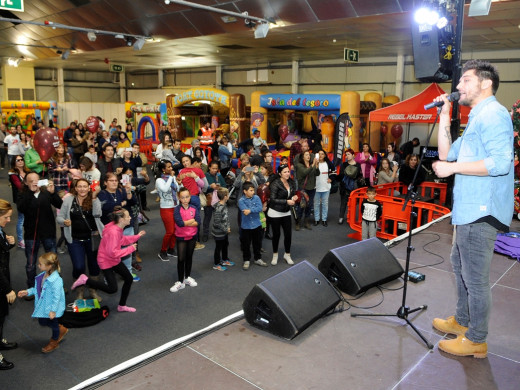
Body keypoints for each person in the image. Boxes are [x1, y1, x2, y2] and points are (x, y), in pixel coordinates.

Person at [431, 60, 514, 358]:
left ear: (485, 83)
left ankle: (477, 339)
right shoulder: (477, 117)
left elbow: (500, 163)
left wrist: (452, 169)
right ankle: (463, 322)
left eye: (465, 80)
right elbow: (445, 152)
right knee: (460, 266)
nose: (458, 87)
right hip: (468, 209)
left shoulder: (493, 114)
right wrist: (444, 114)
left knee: (475, 278)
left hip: (482, 210)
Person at [70, 206, 145, 313]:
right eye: (128, 217)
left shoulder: (117, 228)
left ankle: (122, 306)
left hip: (113, 259)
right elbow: (113, 253)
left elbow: (122, 240)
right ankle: (85, 280)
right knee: (112, 289)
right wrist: (130, 249)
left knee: (128, 278)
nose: (130, 218)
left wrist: (136, 236)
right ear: (121, 220)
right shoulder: (114, 232)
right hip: (106, 261)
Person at [56, 179, 104, 301]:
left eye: (85, 186)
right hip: (74, 239)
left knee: (94, 266)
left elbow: (98, 214)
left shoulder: (94, 199)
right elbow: (59, 217)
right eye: (80, 187)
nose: (82, 189)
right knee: (78, 266)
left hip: (92, 238)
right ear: (76, 188)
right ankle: (80, 291)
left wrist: (93, 198)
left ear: (89, 188)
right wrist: (64, 222)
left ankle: (93, 291)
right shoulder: (68, 200)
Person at [17, 172, 62, 289]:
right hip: (31, 235)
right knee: (31, 264)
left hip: (49, 233)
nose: (34, 183)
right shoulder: (23, 195)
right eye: (31, 181)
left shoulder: (46, 193)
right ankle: (32, 286)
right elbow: (21, 208)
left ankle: (55, 284)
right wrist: (31, 192)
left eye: (36, 180)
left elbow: (59, 204)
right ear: (26, 183)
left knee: (52, 261)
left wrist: (53, 193)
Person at [17, 253, 68, 353]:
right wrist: (27, 292)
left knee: (53, 325)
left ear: (49, 266)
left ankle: (54, 342)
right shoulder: (41, 276)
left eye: (40, 264)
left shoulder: (56, 280)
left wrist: (53, 311)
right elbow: (37, 289)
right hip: (43, 305)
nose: (38, 265)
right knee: (42, 321)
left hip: (52, 308)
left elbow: (57, 297)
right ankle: (61, 329)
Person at [97, 172, 139, 281]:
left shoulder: (121, 191)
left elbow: (133, 202)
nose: (115, 182)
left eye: (116, 180)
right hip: (111, 230)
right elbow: (107, 208)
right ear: (105, 183)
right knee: (110, 253)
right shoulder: (102, 194)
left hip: (126, 226)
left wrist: (129, 192)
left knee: (127, 252)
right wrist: (123, 204)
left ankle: (128, 272)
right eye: (111, 180)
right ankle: (108, 278)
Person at [170, 187, 201, 293]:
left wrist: (188, 222)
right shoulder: (177, 209)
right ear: (179, 198)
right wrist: (191, 221)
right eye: (182, 197)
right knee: (181, 259)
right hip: (181, 237)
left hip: (192, 237)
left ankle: (187, 277)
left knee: (189, 258)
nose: (185, 199)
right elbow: (180, 223)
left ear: (190, 197)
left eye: (187, 197)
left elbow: (198, 221)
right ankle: (180, 281)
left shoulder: (194, 208)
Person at [268, 164, 297, 266]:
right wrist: (286, 201)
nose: (287, 173)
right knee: (276, 235)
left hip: (286, 211)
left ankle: (287, 255)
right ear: (280, 173)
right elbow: (273, 199)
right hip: (275, 212)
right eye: (285, 172)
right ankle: (275, 255)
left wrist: (294, 197)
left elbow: (291, 194)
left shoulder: (291, 182)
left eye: (288, 171)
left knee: (288, 235)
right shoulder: (275, 184)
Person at [0, 199, 16, 369]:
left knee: (2, 315)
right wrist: (8, 289)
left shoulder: (0, 230)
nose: (9, 220)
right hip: (1, 283)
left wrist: (8, 244)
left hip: (3, 279)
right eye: (6, 217)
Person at [239, 181, 266, 270]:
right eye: (251, 190)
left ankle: (257, 258)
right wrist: (252, 210)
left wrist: (250, 210)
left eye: (253, 190)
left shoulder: (257, 198)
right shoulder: (241, 201)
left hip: (257, 225)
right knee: (246, 244)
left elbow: (259, 208)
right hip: (246, 226)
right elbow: (244, 211)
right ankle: (246, 260)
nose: (253, 192)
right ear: (245, 191)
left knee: (257, 243)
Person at [156, 161, 179, 261]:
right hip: (166, 208)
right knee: (169, 231)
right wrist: (171, 178)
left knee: (175, 231)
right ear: (163, 169)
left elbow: (177, 189)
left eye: (171, 167)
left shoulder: (172, 177)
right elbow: (165, 189)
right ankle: (163, 251)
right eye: (168, 167)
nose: (171, 169)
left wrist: (176, 181)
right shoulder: (159, 180)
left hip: (175, 206)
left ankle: (171, 249)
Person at [8, 155, 30, 248]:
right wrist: (31, 184)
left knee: (30, 218)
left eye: (22, 159)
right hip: (20, 199)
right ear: (14, 162)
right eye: (18, 160)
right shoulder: (13, 174)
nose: (21, 161)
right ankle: (21, 240)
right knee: (21, 219)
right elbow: (19, 186)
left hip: (30, 198)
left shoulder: (28, 171)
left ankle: (30, 237)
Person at [294, 150, 319, 230]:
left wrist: (317, 166)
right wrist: (313, 165)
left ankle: (306, 222)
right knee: (301, 206)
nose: (309, 156)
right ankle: (298, 222)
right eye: (306, 155)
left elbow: (317, 173)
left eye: (309, 155)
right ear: (303, 157)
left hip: (312, 188)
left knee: (309, 206)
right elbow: (305, 172)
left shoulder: (312, 164)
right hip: (303, 189)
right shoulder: (299, 165)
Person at [211, 187, 235, 271]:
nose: (228, 196)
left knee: (225, 245)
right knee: (218, 248)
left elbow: (226, 218)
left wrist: (227, 227)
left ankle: (225, 259)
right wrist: (226, 229)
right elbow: (217, 223)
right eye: (228, 194)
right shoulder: (219, 208)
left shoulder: (224, 205)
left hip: (224, 231)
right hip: (219, 232)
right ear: (225, 197)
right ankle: (216, 263)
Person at [314, 149, 335, 226]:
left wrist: (331, 179)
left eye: (322, 154)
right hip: (316, 187)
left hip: (326, 187)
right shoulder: (314, 163)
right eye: (319, 154)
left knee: (325, 204)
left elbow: (334, 171)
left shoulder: (328, 163)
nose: (320, 155)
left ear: (325, 155)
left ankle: (324, 219)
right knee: (316, 204)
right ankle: (316, 219)